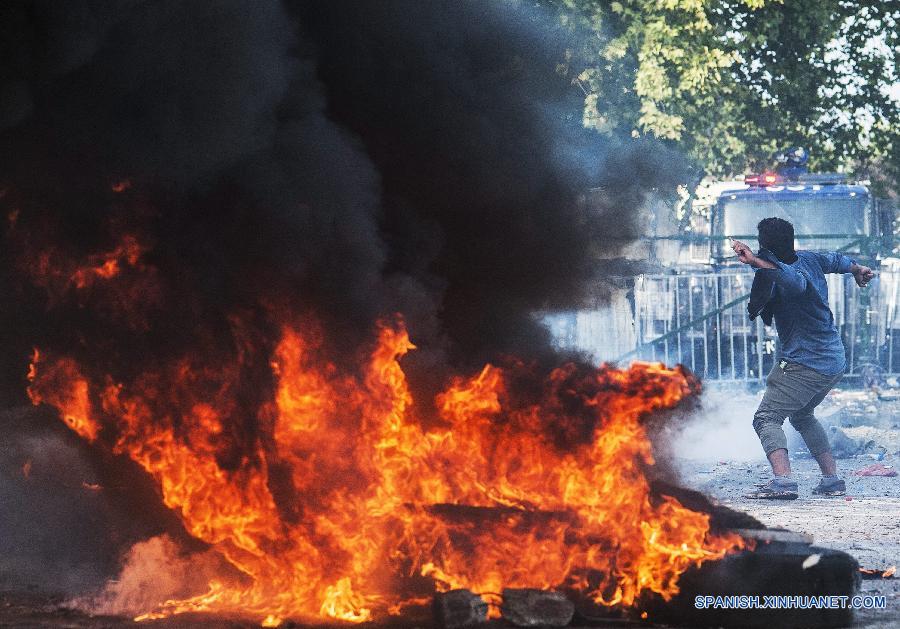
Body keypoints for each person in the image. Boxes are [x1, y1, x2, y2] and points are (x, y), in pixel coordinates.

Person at [732, 217, 874, 499]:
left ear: (764, 245)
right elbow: (836, 260)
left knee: (767, 417)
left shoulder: (792, 273)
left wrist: (754, 262)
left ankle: (783, 482)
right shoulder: (811, 258)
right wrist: (858, 269)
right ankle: (832, 480)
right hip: (833, 359)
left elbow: (793, 282)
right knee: (802, 415)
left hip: (807, 363)